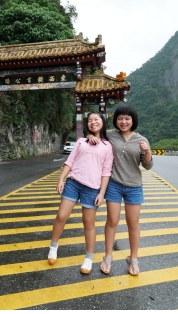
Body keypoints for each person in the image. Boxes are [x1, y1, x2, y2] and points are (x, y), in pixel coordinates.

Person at [88, 103, 153, 276]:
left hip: (134, 186)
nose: (123, 121)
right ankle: (108, 257)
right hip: (114, 185)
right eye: (120, 118)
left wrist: (147, 152)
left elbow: (148, 166)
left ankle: (133, 259)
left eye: (127, 118)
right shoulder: (110, 135)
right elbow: (95, 132)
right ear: (116, 120)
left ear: (133, 120)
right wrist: (90, 135)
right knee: (112, 221)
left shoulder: (141, 140)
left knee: (133, 224)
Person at [47, 112, 113, 274]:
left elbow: (106, 171)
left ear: (103, 122)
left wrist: (101, 193)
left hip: (92, 188)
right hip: (73, 183)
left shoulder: (107, 146)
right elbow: (70, 161)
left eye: (96, 119)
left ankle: (89, 258)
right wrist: (61, 179)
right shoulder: (81, 141)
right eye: (90, 120)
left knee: (88, 223)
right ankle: (53, 247)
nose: (93, 122)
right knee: (61, 216)